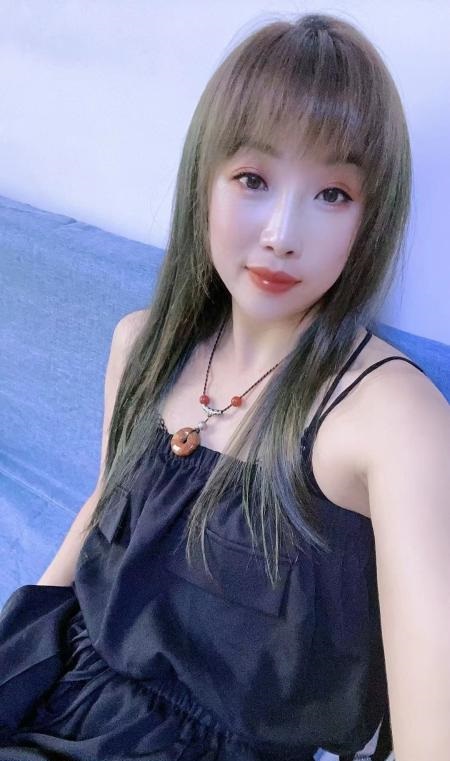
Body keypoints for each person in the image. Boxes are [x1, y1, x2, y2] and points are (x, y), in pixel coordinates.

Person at [0, 10, 449, 761]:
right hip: (63, 695)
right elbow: (103, 512)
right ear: (204, 182)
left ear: (371, 218)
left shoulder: (394, 419)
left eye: (333, 194)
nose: (282, 233)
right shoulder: (142, 344)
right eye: (253, 179)